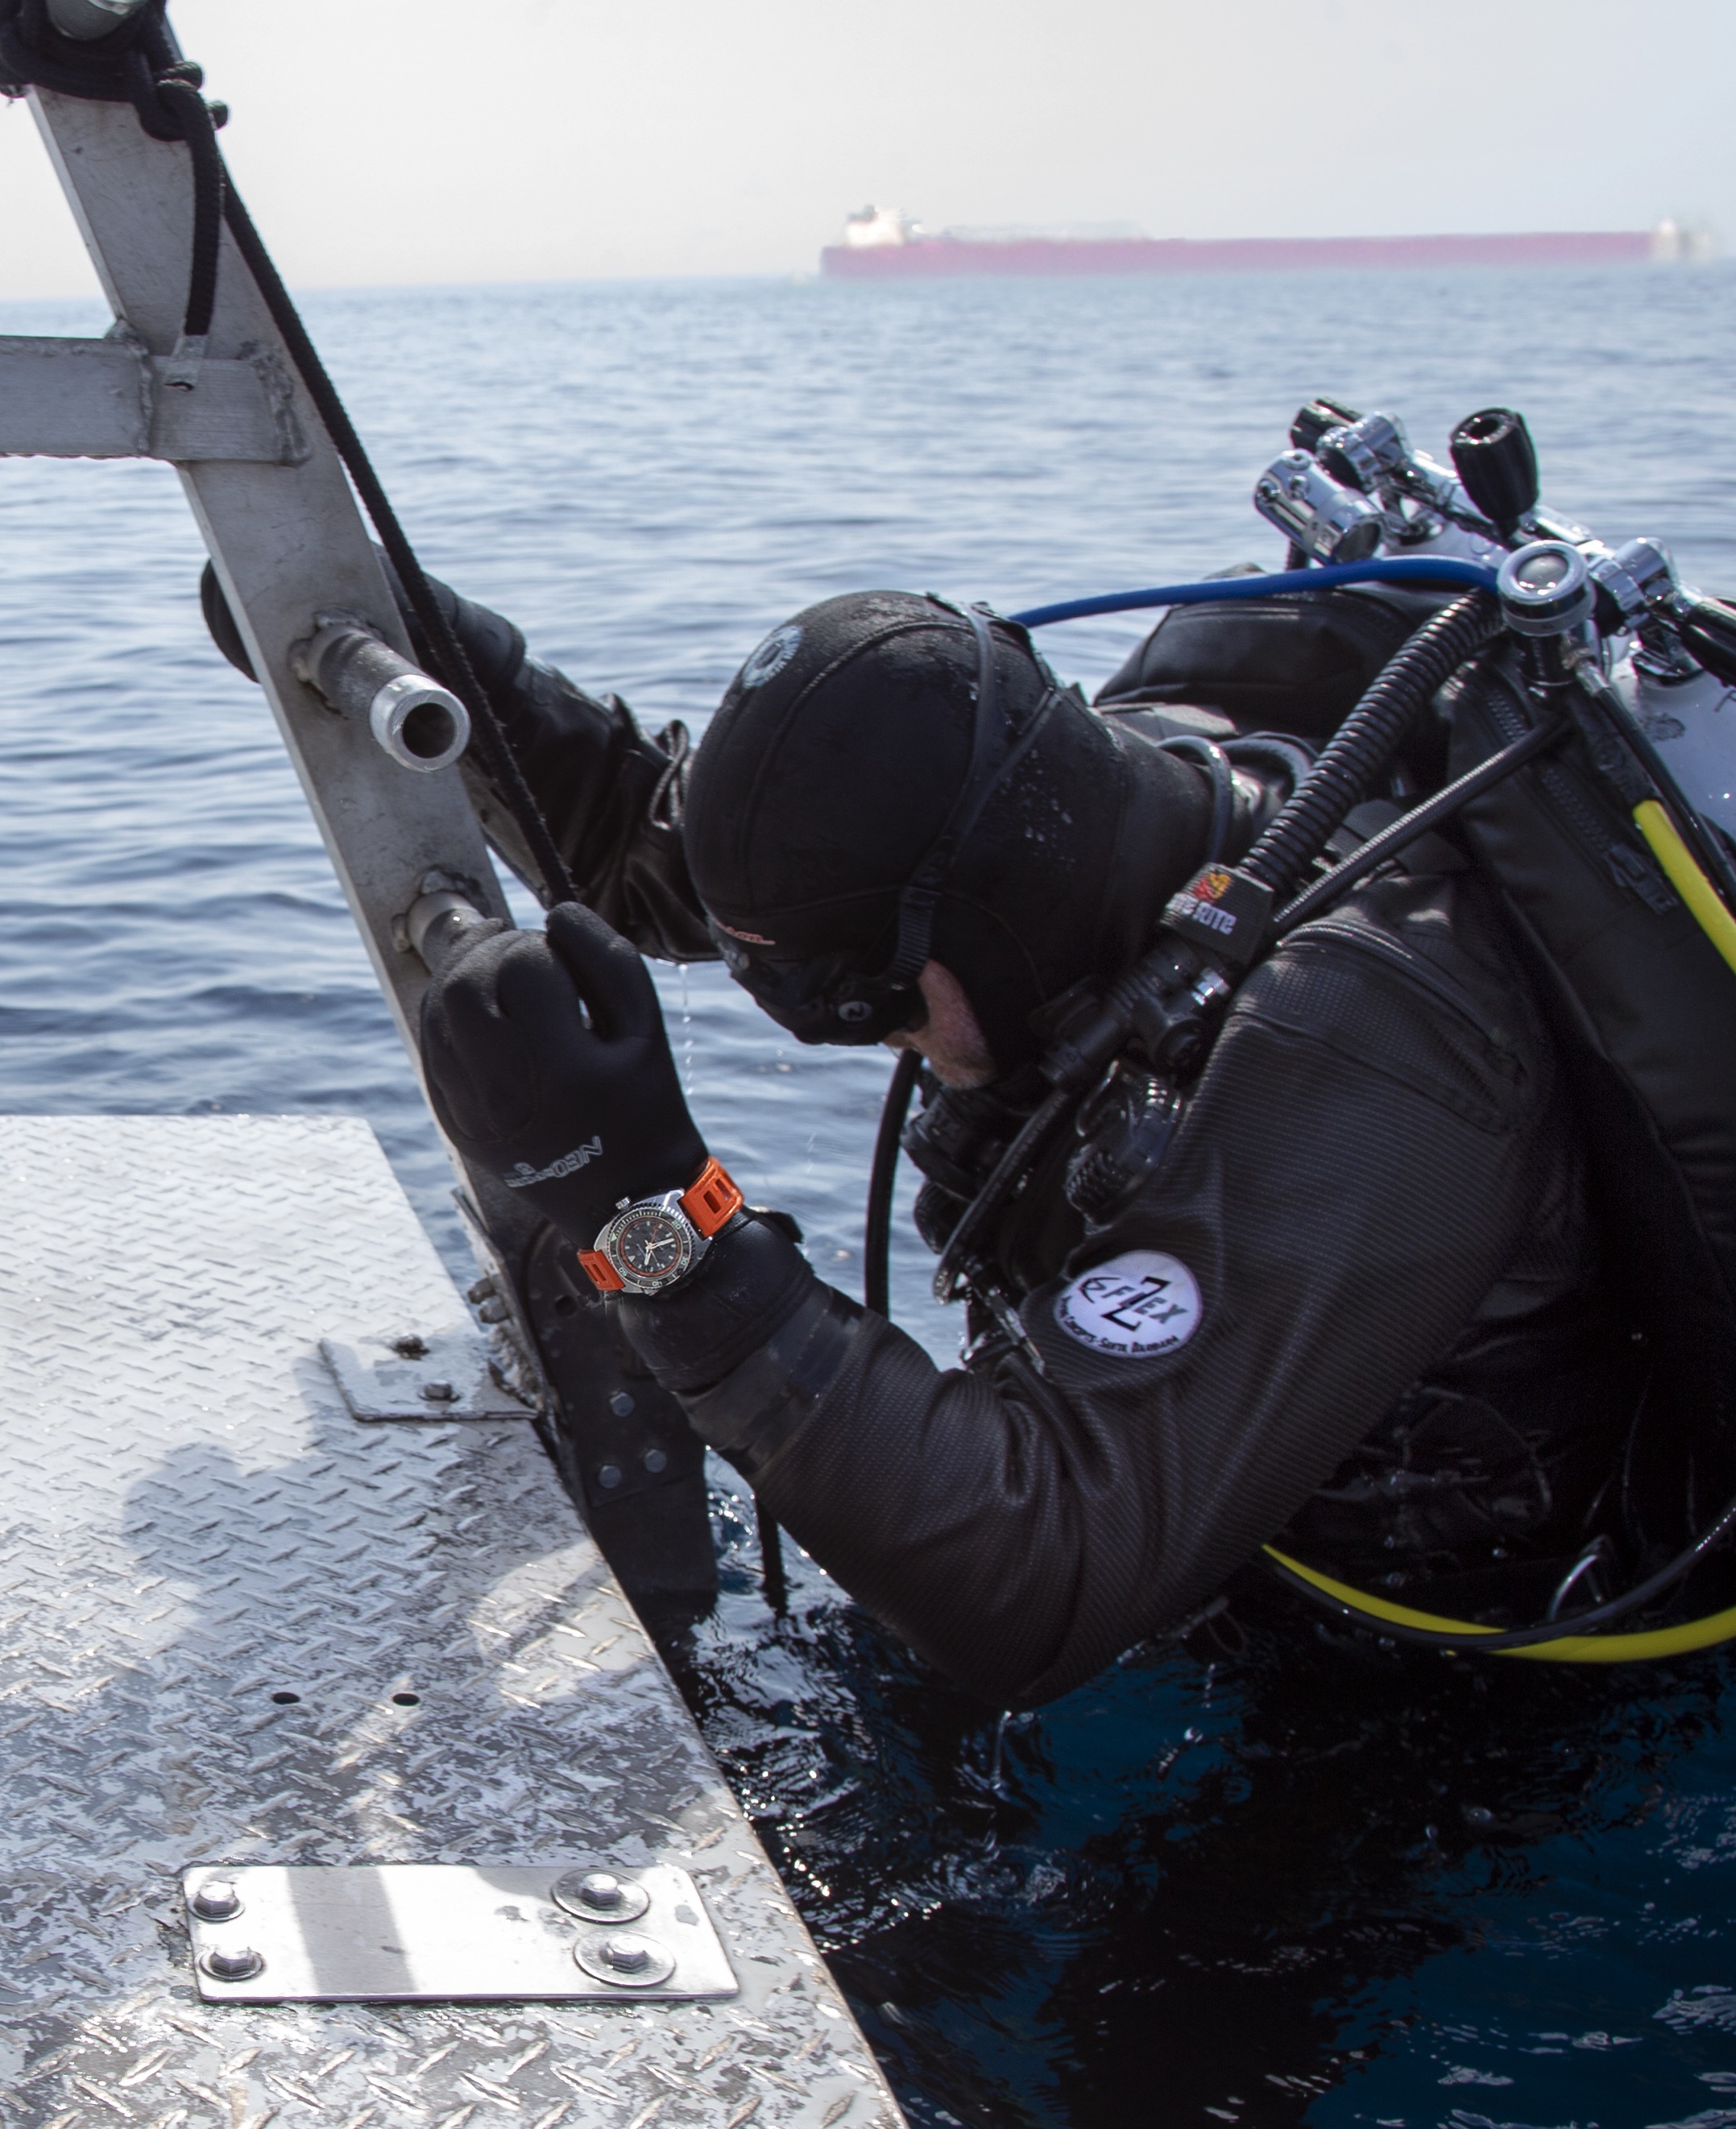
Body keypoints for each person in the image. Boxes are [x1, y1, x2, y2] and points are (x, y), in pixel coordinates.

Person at [412, 585, 1634, 1709]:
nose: (888, 1048)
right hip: (1167, 1534)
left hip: (1423, 1703)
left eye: (878, 1007)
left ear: (1000, 924)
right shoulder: (1063, 816)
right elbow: (673, 849)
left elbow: (1036, 1590)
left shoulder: (1369, 1048)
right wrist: (435, 657)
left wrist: (655, 1216)